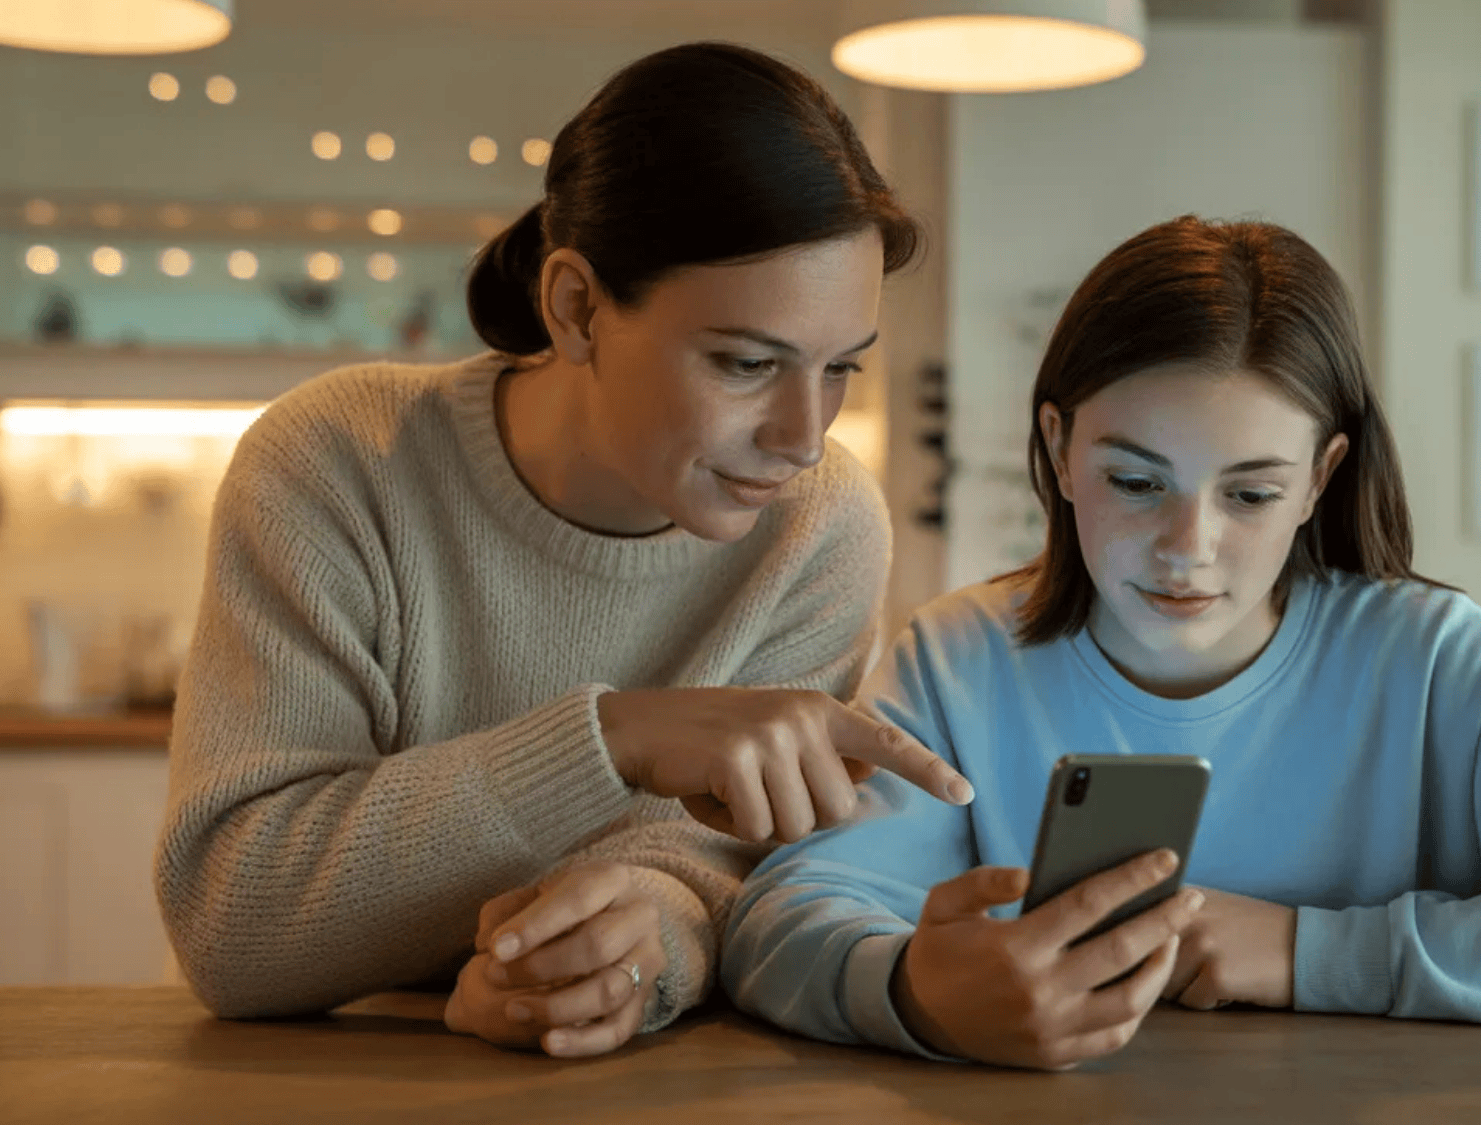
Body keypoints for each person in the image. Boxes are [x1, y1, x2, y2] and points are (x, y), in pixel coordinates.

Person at [721, 217, 1481, 1071]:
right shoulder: (960, 660)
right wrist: (915, 992)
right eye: (1134, 481)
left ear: (1322, 481)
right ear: (1058, 450)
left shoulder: (1436, 665)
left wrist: (1306, 952)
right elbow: (779, 921)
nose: (1184, 550)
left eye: (1248, 492)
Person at [154, 42, 972, 1060]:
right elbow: (235, 925)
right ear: (576, 306)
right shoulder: (339, 461)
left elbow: (739, 871)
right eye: (746, 363)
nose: (801, 436)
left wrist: (636, 951)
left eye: (839, 369)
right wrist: (612, 740)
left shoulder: (822, 523)